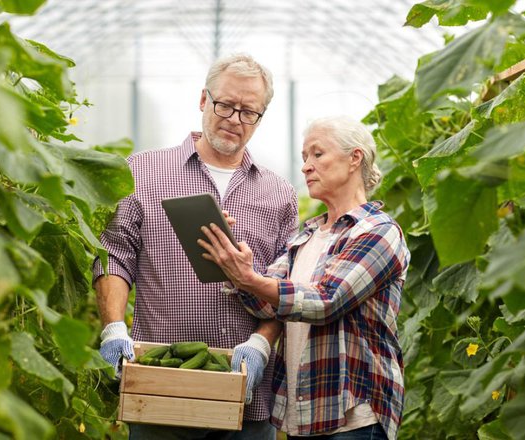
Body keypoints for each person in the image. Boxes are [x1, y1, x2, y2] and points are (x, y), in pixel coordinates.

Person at [92, 53, 299, 440]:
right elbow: (114, 256)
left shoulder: (279, 194)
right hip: (161, 386)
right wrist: (114, 326)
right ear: (204, 100)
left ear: (260, 117)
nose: (234, 119)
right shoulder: (143, 172)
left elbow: (288, 285)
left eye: (248, 111)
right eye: (225, 105)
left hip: (246, 398)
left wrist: (261, 343)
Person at [199, 115, 410, 440]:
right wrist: (230, 260)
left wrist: (250, 279)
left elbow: (327, 301)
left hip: (355, 417)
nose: (306, 166)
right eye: (303, 158)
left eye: (317, 154)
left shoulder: (379, 232)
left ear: (355, 158)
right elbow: (265, 304)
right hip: (305, 414)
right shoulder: (307, 236)